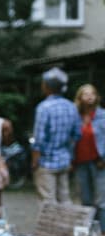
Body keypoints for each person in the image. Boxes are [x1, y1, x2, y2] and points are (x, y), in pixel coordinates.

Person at [31, 67, 82, 204]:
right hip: (64, 160)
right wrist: (70, 156)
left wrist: (35, 160)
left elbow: (39, 138)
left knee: (48, 201)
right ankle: (67, 225)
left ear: (46, 86)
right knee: (64, 198)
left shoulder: (44, 107)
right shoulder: (71, 106)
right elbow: (76, 134)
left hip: (46, 162)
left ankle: (50, 226)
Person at [73, 84, 105, 232]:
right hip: (80, 162)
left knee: (101, 199)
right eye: (86, 94)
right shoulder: (75, 116)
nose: (89, 96)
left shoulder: (102, 115)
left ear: (97, 97)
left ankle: (103, 231)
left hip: (99, 162)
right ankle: (89, 230)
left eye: (92, 93)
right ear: (80, 98)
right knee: (86, 199)